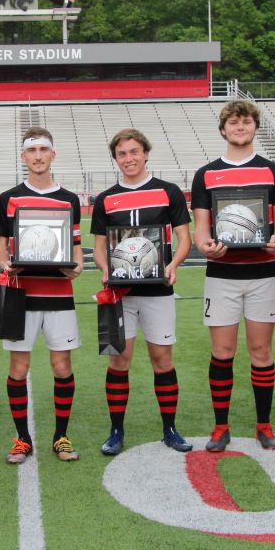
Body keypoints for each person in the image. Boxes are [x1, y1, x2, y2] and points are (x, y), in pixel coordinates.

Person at [190, 100, 275, 452]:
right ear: (223, 129)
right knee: (222, 352)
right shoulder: (206, 174)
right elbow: (201, 230)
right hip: (221, 274)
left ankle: (264, 424)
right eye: (233, 122)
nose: (240, 127)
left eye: (246, 122)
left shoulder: (274, 172)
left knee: (261, 352)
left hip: (264, 273)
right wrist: (206, 247)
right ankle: (221, 427)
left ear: (255, 128)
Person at [91, 128, 193, 455]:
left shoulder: (168, 192)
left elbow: (184, 239)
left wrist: (173, 264)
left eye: (134, 152)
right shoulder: (106, 198)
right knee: (119, 361)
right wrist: (106, 269)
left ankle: (170, 429)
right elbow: (99, 248)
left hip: (157, 292)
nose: (129, 159)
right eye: (122, 154)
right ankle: (116, 430)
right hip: (121, 294)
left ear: (146, 153)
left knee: (162, 360)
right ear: (116, 159)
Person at [0, 127, 85, 464]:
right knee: (18, 367)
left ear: (52, 154)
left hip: (58, 292)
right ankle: (22, 438)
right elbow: (2, 250)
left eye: (43, 150)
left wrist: (74, 267)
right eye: (31, 151)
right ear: (23, 157)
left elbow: (75, 249)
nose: (37, 156)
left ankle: (61, 436)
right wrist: (6, 265)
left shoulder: (68, 199)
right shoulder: (8, 198)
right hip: (21, 295)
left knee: (62, 366)